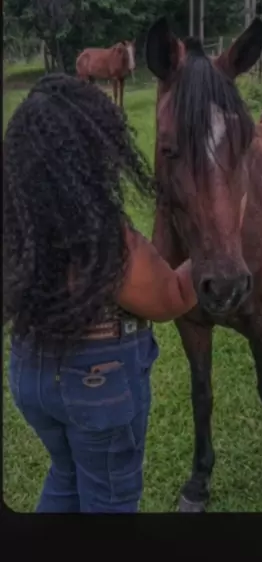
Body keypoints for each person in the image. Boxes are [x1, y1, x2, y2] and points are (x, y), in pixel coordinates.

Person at [3, 72, 197, 514]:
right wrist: (216, 250)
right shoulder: (102, 241)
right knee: (110, 500)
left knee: (65, 475)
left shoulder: (16, 227)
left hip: (30, 375)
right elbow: (171, 297)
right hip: (96, 385)